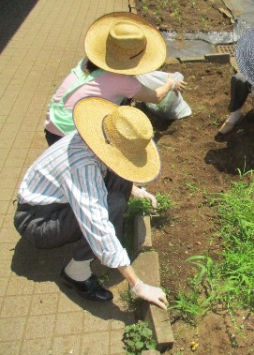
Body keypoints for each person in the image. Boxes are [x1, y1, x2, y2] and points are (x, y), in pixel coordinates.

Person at [14, 97, 168, 309]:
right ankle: (76, 273)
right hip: (38, 221)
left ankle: (105, 244)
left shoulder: (94, 137)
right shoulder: (82, 166)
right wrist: (138, 285)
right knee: (111, 207)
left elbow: (109, 170)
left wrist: (134, 191)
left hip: (54, 203)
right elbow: (97, 224)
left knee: (121, 180)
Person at [44, 11, 187, 147]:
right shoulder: (123, 81)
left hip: (53, 122)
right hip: (70, 134)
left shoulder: (88, 61)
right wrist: (170, 83)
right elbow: (156, 97)